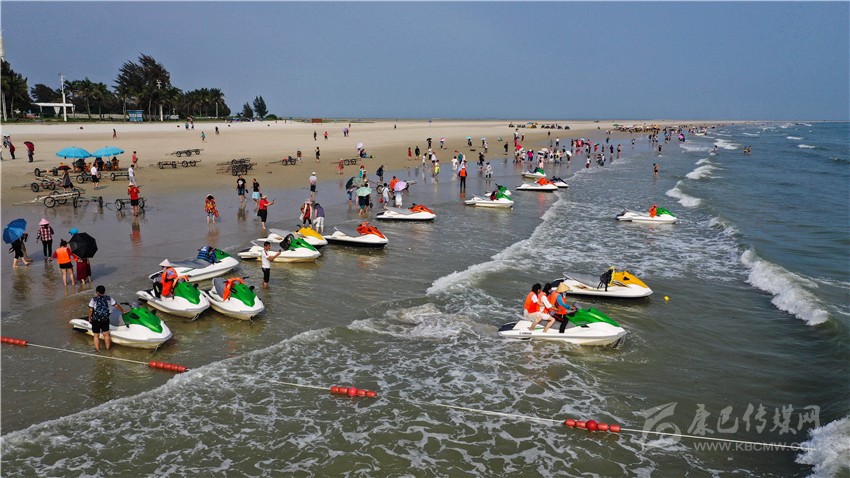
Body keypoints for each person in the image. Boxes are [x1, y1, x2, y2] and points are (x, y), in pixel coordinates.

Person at [88, 285, 124, 352]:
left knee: (96, 335)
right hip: (105, 319)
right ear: (104, 292)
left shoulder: (94, 299)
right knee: (106, 334)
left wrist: (89, 317)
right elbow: (116, 305)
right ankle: (108, 349)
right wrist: (122, 311)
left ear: (97, 292)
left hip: (96, 319)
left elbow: (91, 310)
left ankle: (98, 350)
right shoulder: (109, 298)